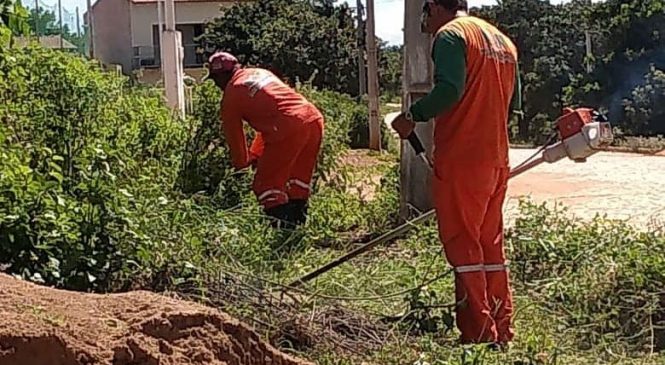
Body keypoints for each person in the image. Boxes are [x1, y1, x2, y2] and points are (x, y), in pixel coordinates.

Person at [391, 0, 522, 347]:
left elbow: (450, 90)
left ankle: (478, 336)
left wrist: (413, 115)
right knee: (490, 247)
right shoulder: (501, 41)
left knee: (463, 245)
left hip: (463, 159)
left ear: (433, 7)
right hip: (496, 159)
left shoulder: (451, 36)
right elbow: (515, 103)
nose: (426, 21)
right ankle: (501, 329)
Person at [205, 51, 325, 228]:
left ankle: (282, 236)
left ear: (221, 76)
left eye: (215, 79)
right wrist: (255, 154)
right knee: (297, 183)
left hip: (288, 127)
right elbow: (275, 114)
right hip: (313, 119)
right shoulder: (260, 72)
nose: (216, 85)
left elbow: (236, 141)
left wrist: (242, 169)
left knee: (266, 185)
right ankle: (299, 234)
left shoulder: (230, 97)